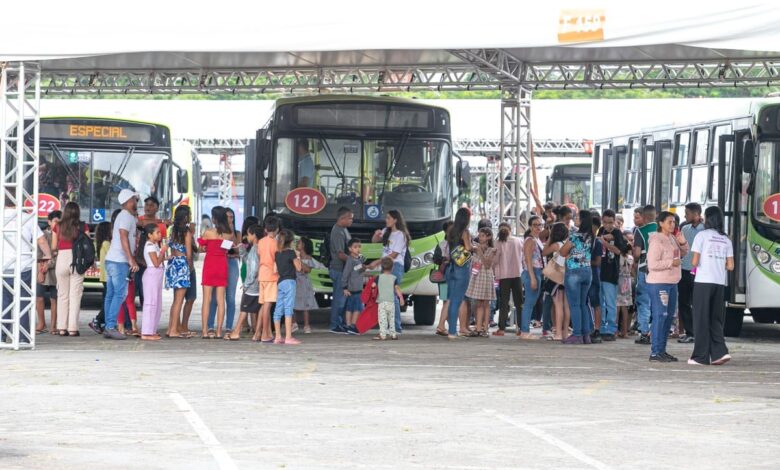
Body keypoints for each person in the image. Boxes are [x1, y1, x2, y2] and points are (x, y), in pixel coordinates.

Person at [1, 199, 52, 343]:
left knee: (4, 302)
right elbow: (41, 240)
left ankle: (2, 336)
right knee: (22, 302)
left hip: (3, 267)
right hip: (23, 267)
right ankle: (22, 337)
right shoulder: (27, 218)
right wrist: (47, 257)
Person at [689, 206, 734, 366]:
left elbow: (694, 262)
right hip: (719, 283)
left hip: (703, 282)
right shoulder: (726, 239)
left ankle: (700, 357)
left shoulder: (702, 236)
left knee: (701, 319)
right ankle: (720, 353)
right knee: (715, 319)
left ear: (707, 218)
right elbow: (730, 266)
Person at [646, 211, 689, 362]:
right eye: (669, 222)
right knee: (660, 316)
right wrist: (671, 263)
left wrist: (682, 241)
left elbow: (683, 253)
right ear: (661, 223)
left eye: (674, 222)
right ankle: (655, 351)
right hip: (659, 283)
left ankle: (662, 350)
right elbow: (652, 264)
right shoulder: (657, 240)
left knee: (668, 317)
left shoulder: (672, 238)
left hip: (672, 282)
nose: (673, 225)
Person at [103, 189, 140, 340]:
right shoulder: (125, 216)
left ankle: (108, 326)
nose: (137, 203)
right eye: (135, 200)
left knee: (111, 295)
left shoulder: (125, 216)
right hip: (119, 261)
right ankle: (111, 327)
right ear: (129, 201)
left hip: (112, 259)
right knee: (120, 294)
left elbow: (141, 223)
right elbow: (123, 236)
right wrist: (131, 259)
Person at [51, 201, 89, 337]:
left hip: (62, 258)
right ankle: (72, 328)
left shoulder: (57, 226)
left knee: (62, 295)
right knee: (75, 295)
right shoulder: (83, 226)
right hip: (77, 260)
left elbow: (54, 247)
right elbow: (87, 244)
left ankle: (61, 328)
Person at [369, 210, 410, 334]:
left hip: (395, 266)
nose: (386, 220)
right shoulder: (386, 231)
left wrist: (377, 262)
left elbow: (394, 254)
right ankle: (389, 325)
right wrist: (376, 235)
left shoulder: (401, 235)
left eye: (388, 218)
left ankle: (396, 327)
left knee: (392, 294)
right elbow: (374, 241)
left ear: (395, 220)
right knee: (386, 295)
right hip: (385, 265)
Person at [559, 209, 595, 345]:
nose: (575, 219)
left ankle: (577, 334)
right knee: (583, 304)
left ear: (583, 220)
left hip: (574, 271)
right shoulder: (592, 236)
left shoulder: (575, 236)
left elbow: (563, 252)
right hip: (587, 271)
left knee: (574, 305)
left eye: (578, 217)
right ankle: (586, 335)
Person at [198, 206, 231, 339]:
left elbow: (201, 249)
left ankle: (205, 331)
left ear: (214, 218)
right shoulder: (229, 234)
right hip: (222, 266)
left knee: (207, 300)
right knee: (220, 300)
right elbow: (227, 251)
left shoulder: (208, 232)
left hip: (210, 265)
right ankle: (218, 332)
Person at [226, 224, 262, 341]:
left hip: (252, 286)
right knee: (256, 310)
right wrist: (241, 249)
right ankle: (257, 332)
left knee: (244, 309)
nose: (247, 236)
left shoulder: (255, 249)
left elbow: (253, 269)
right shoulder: (257, 248)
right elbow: (248, 261)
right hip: (258, 285)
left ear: (254, 235)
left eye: (249, 234)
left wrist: (247, 284)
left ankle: (236, 332)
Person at [209, 207, 240, 333]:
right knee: (215, 296)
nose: (229, 219)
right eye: (227, 217)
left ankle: (228, 326)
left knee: (230, 297)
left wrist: (231, 235)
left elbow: (237, 250)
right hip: (219, 263)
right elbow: (218, 248)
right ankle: (210, 325)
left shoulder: (236, 233)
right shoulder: (217, 232)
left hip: (232, 263)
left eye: (232, 217)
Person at [165, 205, 194, 339]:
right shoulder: (186, 232)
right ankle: (173, 331)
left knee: (175, 299)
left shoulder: (172, 230)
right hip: (182, 264)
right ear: (186, 217)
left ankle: (171, 327)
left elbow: (171, 248)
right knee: (179, 300)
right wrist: (191, 267)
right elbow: (188, 253)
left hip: (173, 263)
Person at [597, 210, 627, 342]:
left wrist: (605, 243)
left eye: (610, 222)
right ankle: (602, 327)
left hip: (611, 272)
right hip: (600, 271)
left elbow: (619, 251)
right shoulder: (601, 231)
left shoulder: (617, 233)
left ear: (614, 221)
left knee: (610, 302)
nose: (607, 225)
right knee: (600, 302)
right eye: (605, 222)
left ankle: (611, 328)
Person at [678, 202, 704, 344]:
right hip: (683, 270)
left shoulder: (705, 230)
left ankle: (699, 332)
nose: (685, 216)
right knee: (683, 303)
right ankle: (690, 332)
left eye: (687, 213)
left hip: (699, 272)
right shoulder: (684, 228)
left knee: (698, 303)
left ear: (696, 214)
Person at [444, 207, 472, 339]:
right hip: (462, 267)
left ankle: (451, 330)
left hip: (451, 268)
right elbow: (467, 248)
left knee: (451, 300)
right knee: (457, 300)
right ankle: (452, 332)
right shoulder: (464, 232)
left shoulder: (451, 230)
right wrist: (475, 248)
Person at [136, 196, 168, 308]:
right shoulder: (138, 221)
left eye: (151, 205)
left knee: (153, 295)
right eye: (146, 205)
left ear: (157, 208)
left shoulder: (161, 226)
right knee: (141, 292)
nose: (148, 207)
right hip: (139, 261)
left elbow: (161, 244)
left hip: (153, 263)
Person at [465, 227, 496, 337]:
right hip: (477, 276)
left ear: (489, 237)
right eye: (480, 235)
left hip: (486, 276)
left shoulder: (492, 249)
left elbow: (488, 265)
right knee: (478, 303)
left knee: (486, 304)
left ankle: (485, 329)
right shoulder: (475, 247)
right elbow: (468, 246)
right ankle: (478, 328)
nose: (480, 237)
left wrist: (480, 252)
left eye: (483, 235)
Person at [633, 205, 657, 345]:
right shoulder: (662, 230)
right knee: (657, 303)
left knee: (643, 302)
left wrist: (635, 259)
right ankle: (656, 331)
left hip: (644, 269)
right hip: (660, 272)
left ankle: (644, 332)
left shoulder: (640, 231)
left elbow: (637, 253)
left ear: (644, 217)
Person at [493, 223, 523, 336]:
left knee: (504, 302)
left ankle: (501, 329)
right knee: (519, 302)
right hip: (517, 274)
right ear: (510, 230)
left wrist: (492, 268)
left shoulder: (498, 242)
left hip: (504, 276)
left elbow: (495, 260)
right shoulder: (518, 241)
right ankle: (521, 328)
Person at [543, 222, 570, 341]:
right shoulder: (568, 244)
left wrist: (549, 237)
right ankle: (565, 332)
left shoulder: (556, 245)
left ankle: (558, 332)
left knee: (557, 305)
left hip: (556, 278)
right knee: (566, 306)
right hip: (566, 277)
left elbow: (544, 252)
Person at [254, 215, 280, 342]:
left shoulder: (261, 241)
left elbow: (259, 256)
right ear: (277, 229)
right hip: (271, 276)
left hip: (262, 274)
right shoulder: (276, 243)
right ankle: (265, 334)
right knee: (267, 306)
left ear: (265, 229)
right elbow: (277, 260)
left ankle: (257, 333)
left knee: (263, 305)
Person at [274, 229, 302, 345]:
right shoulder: (292, 253)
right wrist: (298, 256)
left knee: (278, 309)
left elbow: (275, 270)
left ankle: (278, 337)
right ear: (291, 241)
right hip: (290, 282)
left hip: (280, 282)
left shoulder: (277, 253)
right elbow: (299, 268)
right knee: (288, 309)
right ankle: (288, 337)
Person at [519, 216, 545, 340]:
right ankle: (524, 331)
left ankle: (524, 330)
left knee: (530, 302)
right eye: (535, 225)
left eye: (540, 225)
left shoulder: (535, 239)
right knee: (529, 303)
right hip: (532, 272)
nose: (538, 227)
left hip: (536, 272)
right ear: (529, 226)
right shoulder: (531, 240)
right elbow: (528, 260)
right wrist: (532, 277)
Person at [329, 207, 353, 333]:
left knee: (343, 299)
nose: (351, 221)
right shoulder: (338, 232)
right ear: (342, 218)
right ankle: (334, 325)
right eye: (350, 218)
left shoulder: (344, 230)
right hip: (338, 269)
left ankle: (341, 323)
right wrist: (354, 262)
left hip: (343, 270)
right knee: (338, 299)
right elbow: (340, 254)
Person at [35, 210, 60, 334]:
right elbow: (38, 254)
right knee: (39, 297)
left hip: (56, 273)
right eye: (55, 221)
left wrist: (49, 264)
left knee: (54, 299)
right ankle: (41, 323)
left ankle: (54, 326)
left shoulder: (63, 236)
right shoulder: (42, 235)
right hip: (42, 270)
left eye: (59, 222)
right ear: (49, 222)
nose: (57, 224)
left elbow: (59, 255)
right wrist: (40, 271)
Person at [141, 224, 167, 341]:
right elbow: (156, 263)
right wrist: (163, 252)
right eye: (157, 232)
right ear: (149, 235)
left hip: (156, 275)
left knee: (156, 303)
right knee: (151, 304)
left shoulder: (155, 245)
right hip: (152, 274)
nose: (160, 234)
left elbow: (159, 260)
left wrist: (165, 255)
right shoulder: (150, 245)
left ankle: (152, 329)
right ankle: (146, 332)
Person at [374, 257, 405, 341]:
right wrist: (401, 298)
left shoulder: (378, 278)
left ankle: (383, 335)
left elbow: (373, 286)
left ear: (381, 267)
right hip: (391, 302)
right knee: (391, 319)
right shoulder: (394, 278)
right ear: (392, 268)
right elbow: (397, 288)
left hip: (382, 302)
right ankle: (393, 334)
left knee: (382, 319)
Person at [294, 236, 320, 334]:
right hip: (295, 281)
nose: (297, 244)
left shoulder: (308, 258)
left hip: (304, 282)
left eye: (299, 242)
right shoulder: (294, 255)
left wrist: (298, 259)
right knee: (293, 303)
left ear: (303, 245)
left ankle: (306, 325)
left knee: (305, 305)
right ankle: (293, 323)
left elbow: (307, 270)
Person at [342, 238, 366, 334]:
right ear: (350, 249)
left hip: (358, 288)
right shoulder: (350, 260)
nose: (358, 249)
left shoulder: (358, 260)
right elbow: (345, 274)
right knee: (355, 308)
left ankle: (349, 326)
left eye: (359, 247)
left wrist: (363, 266)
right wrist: (344, 287)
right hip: (352, 289)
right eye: (355, 247)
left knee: (352, 308)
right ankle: (352, 325)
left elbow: (359, 272)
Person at [434, 221, 454, 337]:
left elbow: (436, 259)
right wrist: (445, 260)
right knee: (447, 300)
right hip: (445, 275)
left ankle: (444, 324)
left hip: (441, 276)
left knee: (446, 300)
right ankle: (441, 325)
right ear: (446, 231)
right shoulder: (443, 244)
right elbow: (436, 259)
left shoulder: (442, 244)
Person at [587, 215, 603, 343]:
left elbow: (597, 262)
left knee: (595, 302)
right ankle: (589, 327)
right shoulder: (585, 240)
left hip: (593, 276)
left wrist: (583, 261)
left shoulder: (597, 242)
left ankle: (597, 329)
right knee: (585, 303)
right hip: (589, 275)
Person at [616, 242, 634, 338]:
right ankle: (625, 331)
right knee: (625, 307)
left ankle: (614, 331)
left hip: (619, 280)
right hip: (627, 282)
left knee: (617, 307)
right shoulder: (630, 258)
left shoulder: (618, 257)